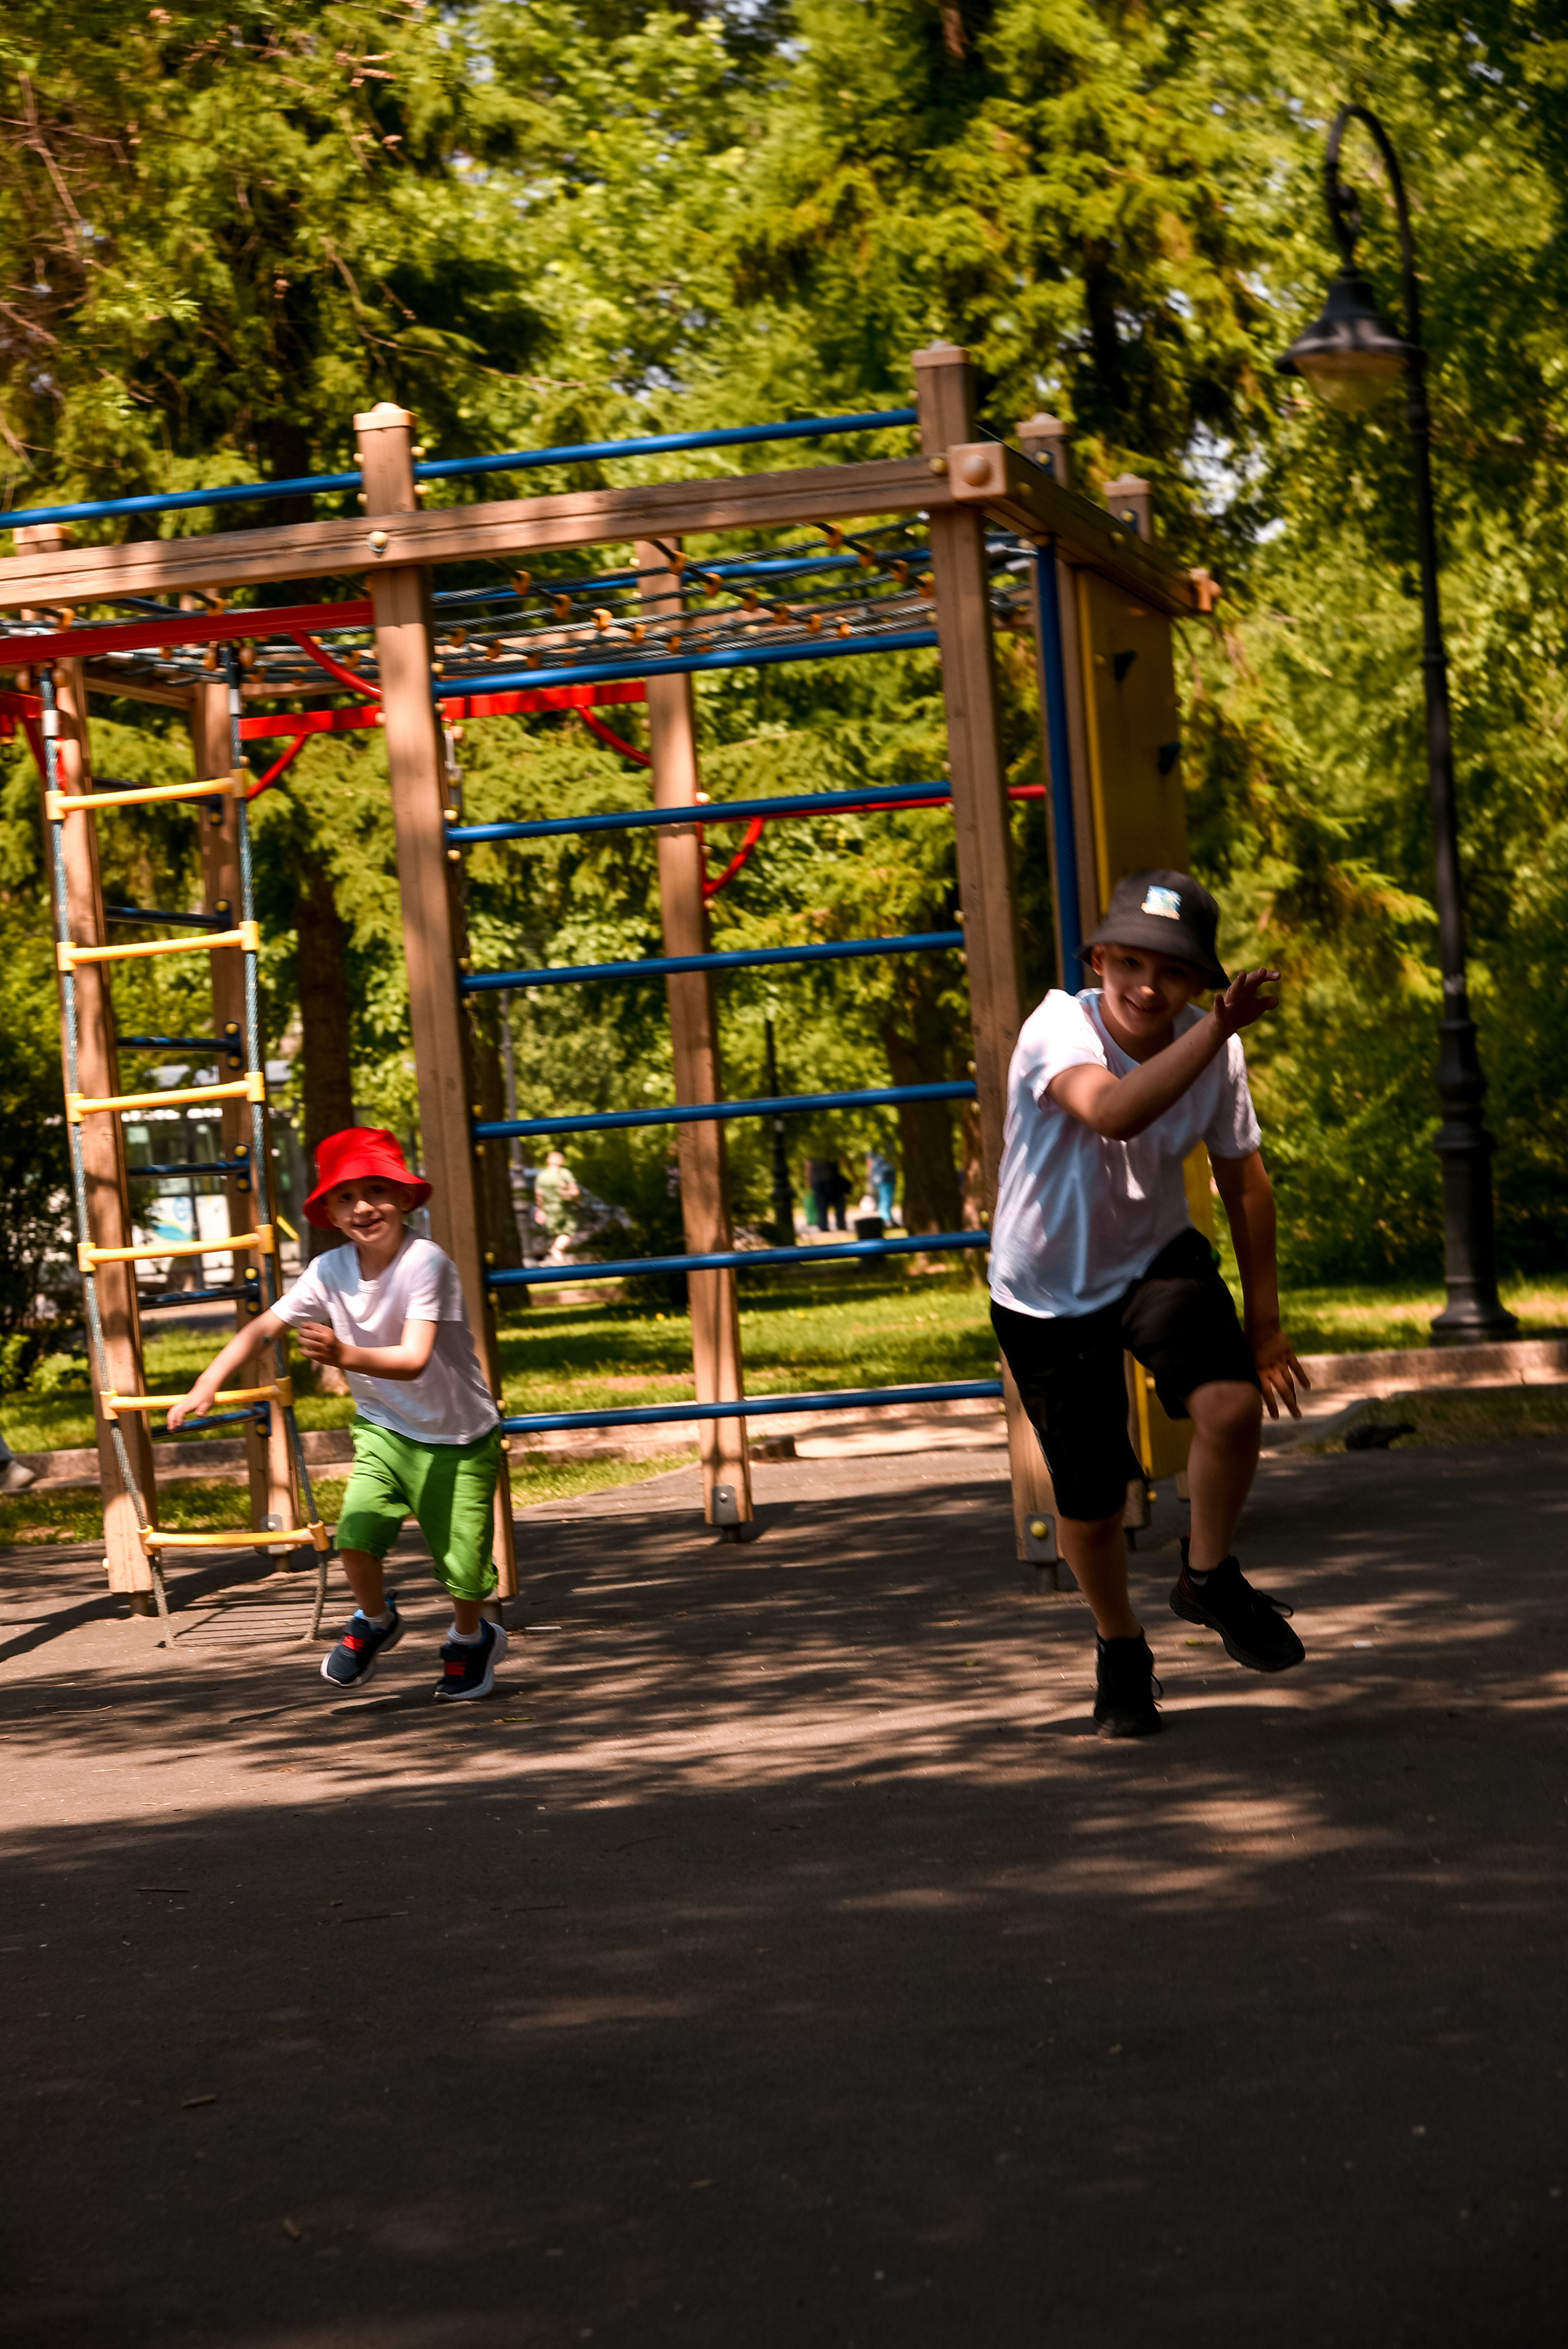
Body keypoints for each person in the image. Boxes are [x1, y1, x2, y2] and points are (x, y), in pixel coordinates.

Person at [989, 870, 1308, 1739]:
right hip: (1045, 1291)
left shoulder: (1216, 1045)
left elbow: (1243, 1180)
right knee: (1091, 1509)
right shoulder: (1058, 1026)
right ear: (1097, 960)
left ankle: (1208, 1576)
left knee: (1233, 1403)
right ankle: (1121, 1646)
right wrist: (1223, 1033)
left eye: (1170, 972)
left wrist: (1265, 1322)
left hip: (1154, 1260)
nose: (1145, 986)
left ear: (1200, 984)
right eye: (1127, 962)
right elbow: (1116, 1112)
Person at [168, 1127, 508, 1702]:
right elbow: (264, 1326)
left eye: (376, 1191)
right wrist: (207, 1383)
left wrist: (343, 1355)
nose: (363, 1208)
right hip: (384, 1430)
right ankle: (376, 1621)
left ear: (404, 1197)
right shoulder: (329, 1271)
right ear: (328, 1210)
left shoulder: (427, 1263)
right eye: (346, 1197)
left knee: (464, 1566)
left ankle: (472, 1637)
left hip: (459, 1436)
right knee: (354, 1537)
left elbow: (415, 1358)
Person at [533, 1149, 580, 1262]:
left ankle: (561, 1267)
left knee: (557, 1236)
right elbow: (575, 1191)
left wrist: (540, 1210)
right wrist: (577, 1200)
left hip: (549, 1210)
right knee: (568, 1232)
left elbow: (539, 1195)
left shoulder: (542, 1176)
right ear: (561, 1161)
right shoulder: (564, 1173)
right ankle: (556, 1250)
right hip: (564, 1208)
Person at [867, 1148, 897, 1225]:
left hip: (885, 1176)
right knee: (885, 1199)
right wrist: (869, 1177)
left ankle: (887, 1218)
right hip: (882, 1177)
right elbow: (869, 1161)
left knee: (887, 1198)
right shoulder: (873, 1146)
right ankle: (886, 1219)